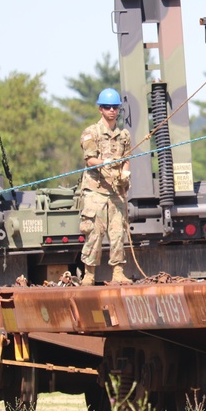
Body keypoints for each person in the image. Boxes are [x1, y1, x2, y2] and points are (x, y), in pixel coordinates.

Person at [78, 88, 132, 286]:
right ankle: (89, 274)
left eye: (115, 107)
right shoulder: (91, 133)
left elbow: (127, 159)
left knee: (118, 232)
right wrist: (105, 163)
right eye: (107, 107)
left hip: (116, 191)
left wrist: (125, 174)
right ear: (100, 109)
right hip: (95, 191)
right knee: (94, 232)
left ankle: (118, 272)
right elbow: (90, 159)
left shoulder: (124, 135)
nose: (112, 110)